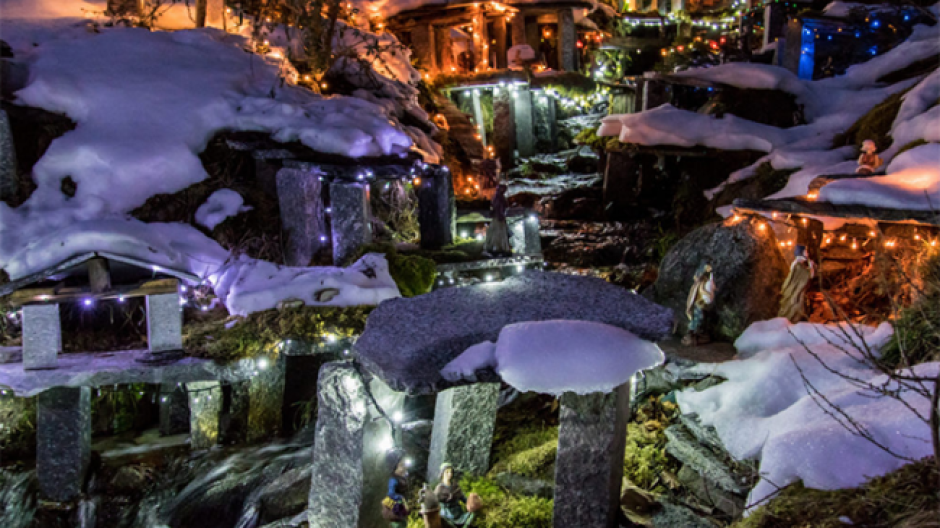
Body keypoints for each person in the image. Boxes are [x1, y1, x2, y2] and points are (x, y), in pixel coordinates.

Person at [778, 244, 816, 322]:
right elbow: (809, 276)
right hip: (795, 293)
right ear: (801, 253)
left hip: (796, 292)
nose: (807, 254)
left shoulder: (797, 264)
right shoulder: (798, 266)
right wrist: (811, 266)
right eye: (805, 252)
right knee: (795, 309)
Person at [682, 262, 716, 346]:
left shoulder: (706, 281)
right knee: (698, 318)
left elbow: (711, 288)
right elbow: (701, 289)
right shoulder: (699, 283)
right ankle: (691, 333)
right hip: (698, 303)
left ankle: (698, 334)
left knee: (702, 318)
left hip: (703, 303)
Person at [382, 450, 410, 528]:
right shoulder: (393, 480)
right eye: (401, 465)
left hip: (402, 508)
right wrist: (401, 498)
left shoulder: (402, 477)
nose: (404, 468)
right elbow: (391, 493)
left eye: (404, 465)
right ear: (395, 468)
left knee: (403, 523)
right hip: (396, 507)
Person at [483, 184, 512, 257]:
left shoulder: (499, 197)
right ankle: (496, 248)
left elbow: (503, 206)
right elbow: (497, 207)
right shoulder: (498, 198)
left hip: (499, 218)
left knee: (499, 233)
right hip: (498, 217)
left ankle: (499, 248)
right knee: (497, 233)